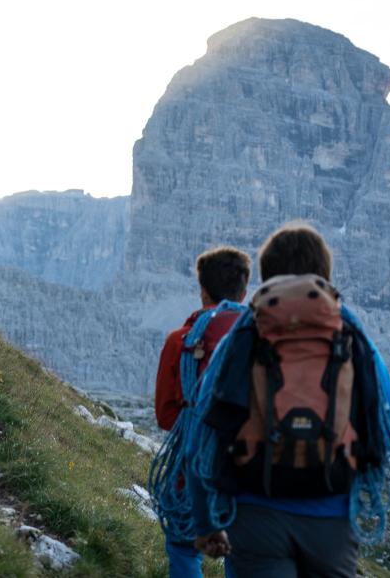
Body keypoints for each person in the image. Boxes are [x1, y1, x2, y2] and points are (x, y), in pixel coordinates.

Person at [186, 223, 390, 578]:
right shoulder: (350, 333)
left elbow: (202, 434)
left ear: (265, 276)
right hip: (332, 522)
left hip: (255, 517)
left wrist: (204, 524)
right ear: (325, 274)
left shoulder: (244, 333)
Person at [153, 247, 250, 577]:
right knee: (246, 558)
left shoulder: (180, 341)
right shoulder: (264, 340)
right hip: (251, 475)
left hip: (190, 472)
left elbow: (166, 417)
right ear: (245, 290)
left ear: (203, 291)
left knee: (183, 548)